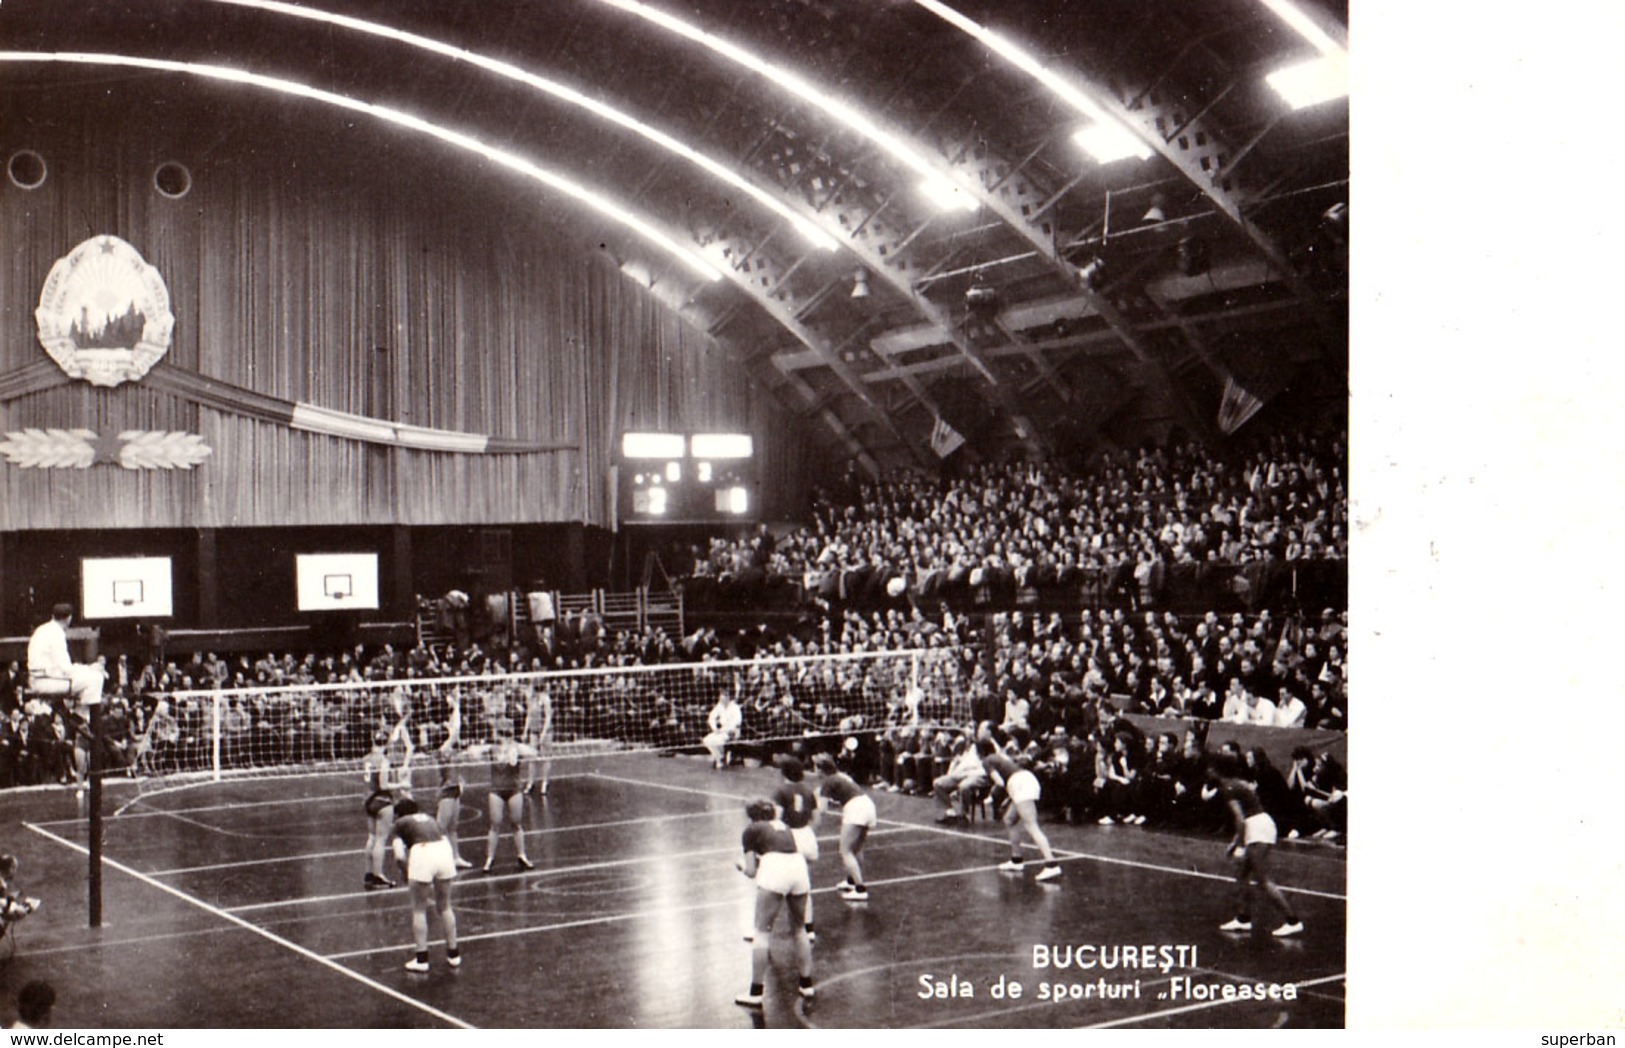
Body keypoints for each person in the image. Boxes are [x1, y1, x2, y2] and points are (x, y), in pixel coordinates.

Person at [1209, 752, 1303, 937]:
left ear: (1218, 770)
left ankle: (1293, 921)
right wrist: (1235, 842)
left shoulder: (1228, 787)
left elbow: (1241, 819)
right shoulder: (1236, 783)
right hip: (1259, 825)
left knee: (1262, 879)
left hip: (1258, 829)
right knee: (1241, 874)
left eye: (1211, 767)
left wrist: (1241, 846)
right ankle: (1243, 919)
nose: (1208, 771)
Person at [733, 799, 814, 1008]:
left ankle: (756, 992)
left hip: (776, 870)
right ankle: (807, 984)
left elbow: (752, 871)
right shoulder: (783, 827)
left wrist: (741, 866)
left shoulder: (751, 830)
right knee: (799, 929)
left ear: (751, 816)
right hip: (798, 868)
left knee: (761, 932)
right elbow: (778, 851)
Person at [386, 798, 461, 973]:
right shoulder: (430, 819)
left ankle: (422, 958)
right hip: (444, 851)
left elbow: (398, 856)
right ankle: (454, 954)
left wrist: (406, 873)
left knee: (419, 909)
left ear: (399, 814)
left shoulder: (399, 824)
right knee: (445, 906)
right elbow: (446, 839)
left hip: (422, 852)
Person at [980, 742, 1062, 882]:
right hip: (1025, 780)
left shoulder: (986, 761)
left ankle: (1051, 864)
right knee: (1010, 820)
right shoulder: (1001, 756)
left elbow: (999, 782)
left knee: (1031, 825)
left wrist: (991, 796)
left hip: (1020, 784)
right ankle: (1016, 859)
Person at [465, 718, 537, 872]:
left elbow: (533, 753)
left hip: (514, 789)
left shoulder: (516, 747)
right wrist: (475, 749)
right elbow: (473, 751)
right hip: (497, 790)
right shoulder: (492, 748)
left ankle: (522, 856)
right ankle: (489, 859)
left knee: (516, 823)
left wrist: (518, 749)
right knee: (495, 825)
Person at [813, 753, 875, 901]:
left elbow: (822, 809)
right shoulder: (841, 776)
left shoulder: (828, 782)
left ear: (821, 769)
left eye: (815, 767)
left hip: (856, 809)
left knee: (845, 850)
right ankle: (851, 881)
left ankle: (860, 889)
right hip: (867, 805)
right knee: (856, 848)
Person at [361, 714, 413, 890]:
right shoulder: (383, 761)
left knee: (372, 837)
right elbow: (384, 784)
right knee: (381, 840)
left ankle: (369, 873)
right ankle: (378, 875)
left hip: (368, 800)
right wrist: (401, 784)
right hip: (382, 800)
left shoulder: (366, 759)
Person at [770, 756, 819, 940]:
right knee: (804, 885)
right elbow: (816, 817)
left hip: (791, 838)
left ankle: (762, 927)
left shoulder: (781, 791)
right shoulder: (808, 791)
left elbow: (777, 817)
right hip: (807, 836)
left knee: (775, 884)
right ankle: (809, 928)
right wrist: (806, 832)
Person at [26, 604, 104, 709]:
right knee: (96, 678)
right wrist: (88, 668)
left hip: (41, 678)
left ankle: (80, 717)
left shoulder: (42, 629)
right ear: (69, 618)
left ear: (53, 616)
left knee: (89, 677)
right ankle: (85, 720)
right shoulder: (57, 633)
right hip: (47, 681)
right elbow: (66, 669)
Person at [703, 685, 743, 770]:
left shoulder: (735, 708)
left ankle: (720, 758)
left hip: (732, 732)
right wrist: (715, 729)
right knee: (706, 740)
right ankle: (719, 758)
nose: (721, 700)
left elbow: (737, 722)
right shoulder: (719, 706)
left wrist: (725, 730)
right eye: (720, 697)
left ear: (728, 698)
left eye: (724, 697)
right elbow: (711, 718)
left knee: (718, 741)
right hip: (720, 731)